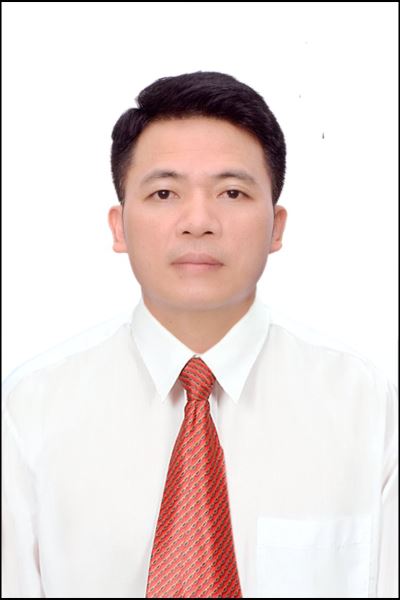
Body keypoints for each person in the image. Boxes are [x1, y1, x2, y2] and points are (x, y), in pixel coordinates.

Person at [2, 71, 397, 598]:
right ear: (119, 226)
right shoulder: (31, 409)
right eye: (164, 192)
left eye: (231, 192)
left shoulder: (366, 405)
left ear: (277, 226)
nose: (198, 221)